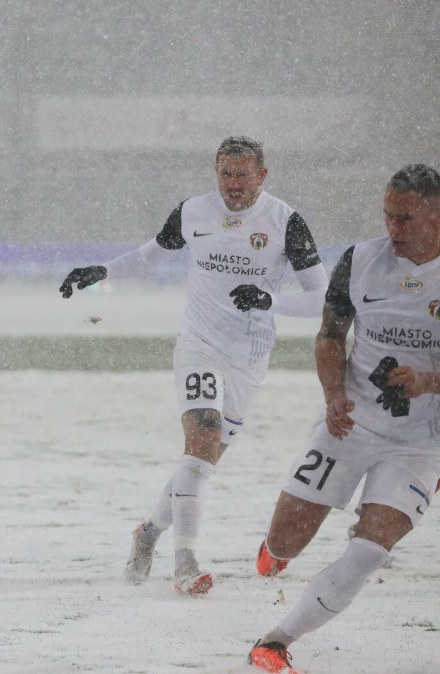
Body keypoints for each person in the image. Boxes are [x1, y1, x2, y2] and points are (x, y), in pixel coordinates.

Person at [59, 136, 330, 595]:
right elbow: (151, 256)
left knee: (200, 460)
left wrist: (269, 301)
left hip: (249, 358)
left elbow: (323, 299)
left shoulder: (287, 223)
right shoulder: (193, 212)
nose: (233, 184)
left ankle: (148, 533)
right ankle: (185, 560)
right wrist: (101, 273)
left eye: (243, 175)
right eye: (225, 174)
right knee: (202, 432)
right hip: (198, 343)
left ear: (262, 175)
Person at [246, 164, 440, 673]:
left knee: (370, 549)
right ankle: (276, 549)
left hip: (421, 443)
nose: (393, 229)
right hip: (350, 423)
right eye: (387, 216)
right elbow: (331, 335)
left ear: (436, 216)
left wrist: (427, 383)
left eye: (405, 218)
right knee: (285, 540)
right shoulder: (360, 260)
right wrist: (333, 395)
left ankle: (275, 641)